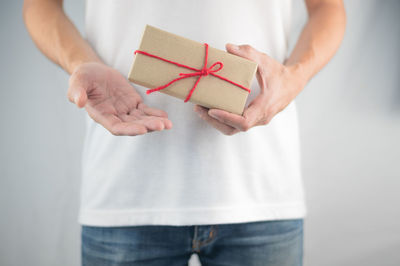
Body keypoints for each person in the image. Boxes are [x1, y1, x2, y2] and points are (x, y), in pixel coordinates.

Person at [23, 0, 346, 265]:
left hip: (261, 190)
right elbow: (39, 5)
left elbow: (327, 6)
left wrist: (295, 77)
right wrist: (79, 62)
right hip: (125, 191)